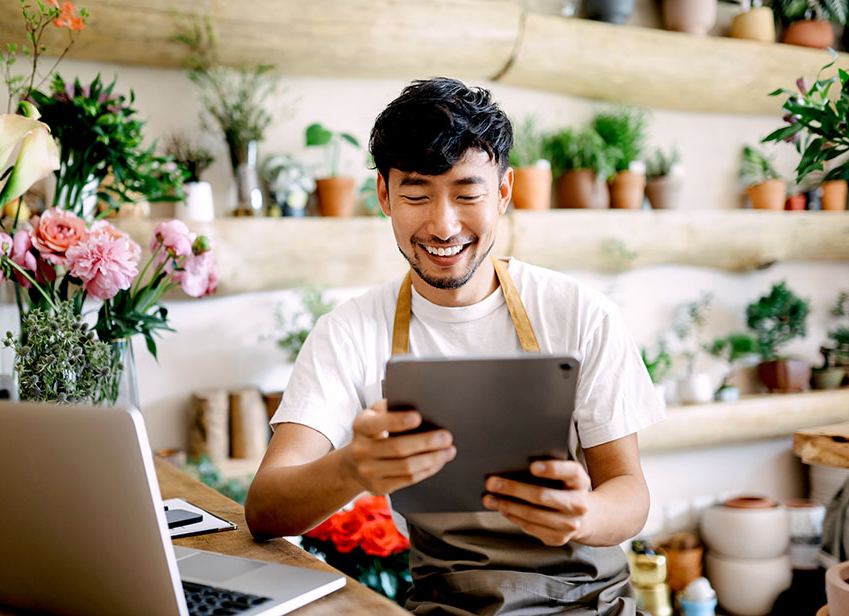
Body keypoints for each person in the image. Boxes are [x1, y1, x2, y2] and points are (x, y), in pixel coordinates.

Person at [245, 78, 666, 615]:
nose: (443, 225)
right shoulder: (348, 332)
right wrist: (353, 467)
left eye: (468, 194)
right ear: (383, 196)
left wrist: (582, 514)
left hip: (587, 603)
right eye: (417, 195)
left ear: (505, 192)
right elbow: (264, 508)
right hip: (446, 606)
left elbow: (630, 494)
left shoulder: (580, 313)